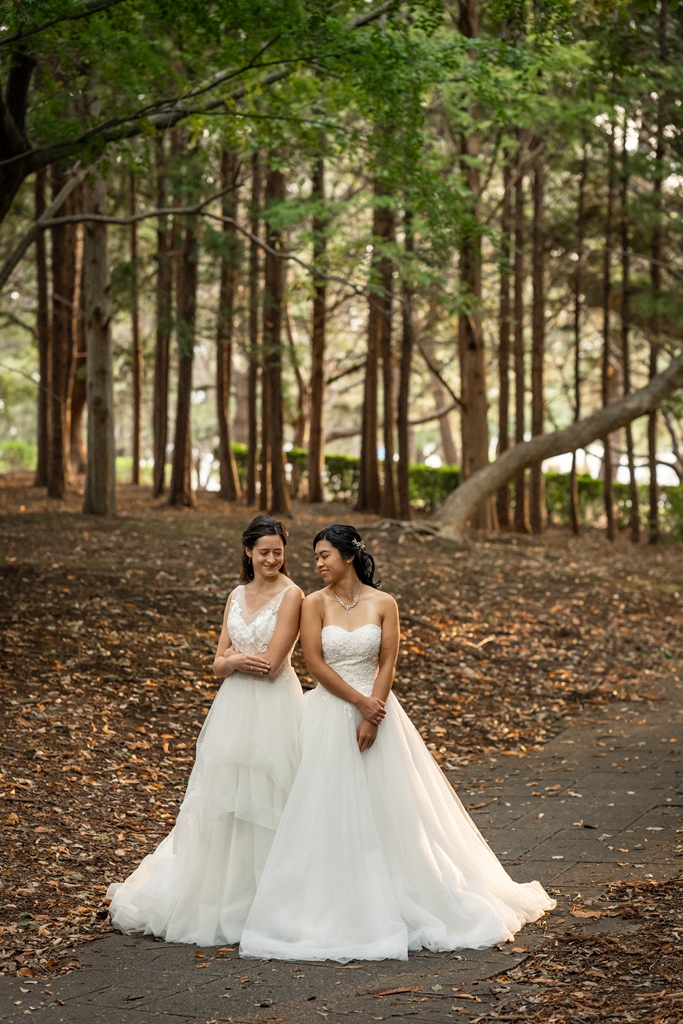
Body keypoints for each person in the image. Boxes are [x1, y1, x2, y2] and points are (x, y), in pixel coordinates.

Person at [240, 523, 555, 962]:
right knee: (325, 807)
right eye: (314, 557)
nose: (318, 564)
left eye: (325, 555)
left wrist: (375, 709)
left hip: (381, 712)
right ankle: (330, 898)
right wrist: (358, 704)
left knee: (394, 808)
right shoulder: (313, 604)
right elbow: (313, 661)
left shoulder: (384, 603)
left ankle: (405, 890)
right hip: (330, 712)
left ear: (348, 556)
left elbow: (388, 658)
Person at [107, 516, 304, 946]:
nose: (272, 559)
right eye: (264, 551)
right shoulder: (236, 593)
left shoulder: (293, 595)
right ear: (248, 551)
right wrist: (233, 661)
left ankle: (267, 897)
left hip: (274, 708)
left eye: (278, 551)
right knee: (225, 797)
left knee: (271, 794)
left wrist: (237, 660)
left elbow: (271, 665)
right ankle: (223, 892)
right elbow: (217, 664)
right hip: (233, 706)